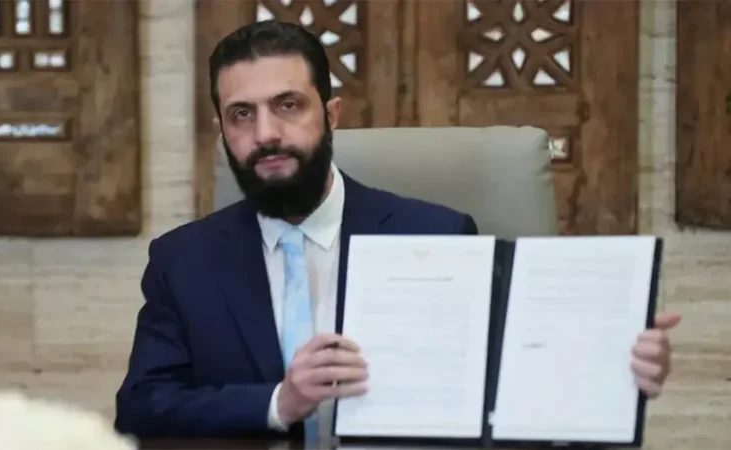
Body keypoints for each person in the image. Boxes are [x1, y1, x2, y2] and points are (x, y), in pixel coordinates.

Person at [114, 20, 681, 440]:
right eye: (243, 114)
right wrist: (279, 403)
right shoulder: (182, 260)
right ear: (222, 130)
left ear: (330, 115)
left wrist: (613, 370)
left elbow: (508, 389)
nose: (266, 134)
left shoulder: (438, 235)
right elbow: (141, 408)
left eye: (288, 105)